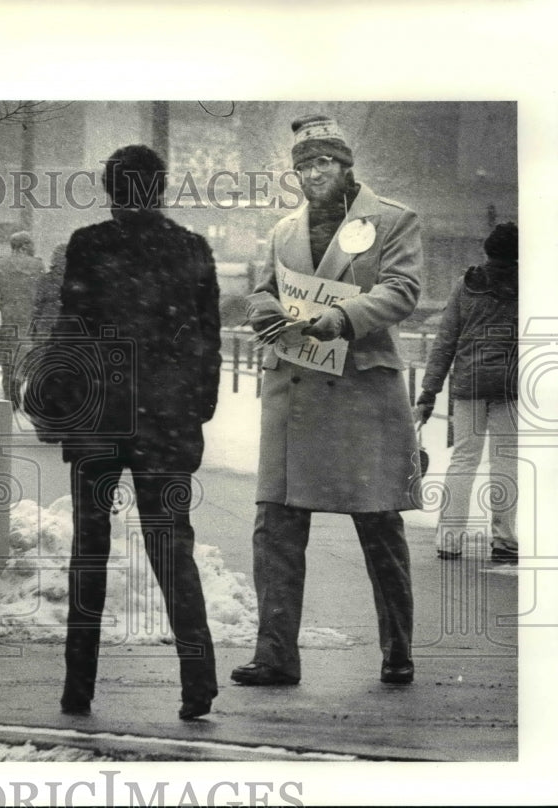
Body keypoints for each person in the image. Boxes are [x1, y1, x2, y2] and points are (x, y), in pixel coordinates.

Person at [36, 144, 221, 720]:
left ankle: (78, 687)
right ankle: (197, 683)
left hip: (100, 415)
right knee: (172, 550)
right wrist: (195, 413)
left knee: (89, 552)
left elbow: (73, 326)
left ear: (110, 190)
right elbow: (208, 341)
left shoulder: (89, 244)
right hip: (165, 421)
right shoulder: (191, 248)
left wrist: (60, 402)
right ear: (161, 189)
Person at [236, 114, 422, 688]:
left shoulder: (392, 219)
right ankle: (275, 655)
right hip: (293, 389)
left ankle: (397, 651)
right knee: (275, 525)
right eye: (304, 166)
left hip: (362, 393)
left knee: (379, 525)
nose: (314, 173)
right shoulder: (282, 230)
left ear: (346, 166)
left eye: (324, 163)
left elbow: (402, 290)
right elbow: (262, 288)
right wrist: (263, 309)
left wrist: (341, 317)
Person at [416, 222, 519, 563]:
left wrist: (428, 392)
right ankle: (504, 541)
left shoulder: (466, 285)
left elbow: (445, 342)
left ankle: (449, 539)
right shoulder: (527, 287)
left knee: (463, 460)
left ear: (487, 252)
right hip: (510, 388)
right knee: (505, 462)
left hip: (469, 385)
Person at [0, 230, 45, 406]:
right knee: (28, 355)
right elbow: (42, 294)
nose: (34, 247)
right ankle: (21, 387)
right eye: (31, 243)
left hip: (8, 318)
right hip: (29, 317)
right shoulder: (37, 265)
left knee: (7, 358)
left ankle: (10, 397)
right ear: (25, 245)